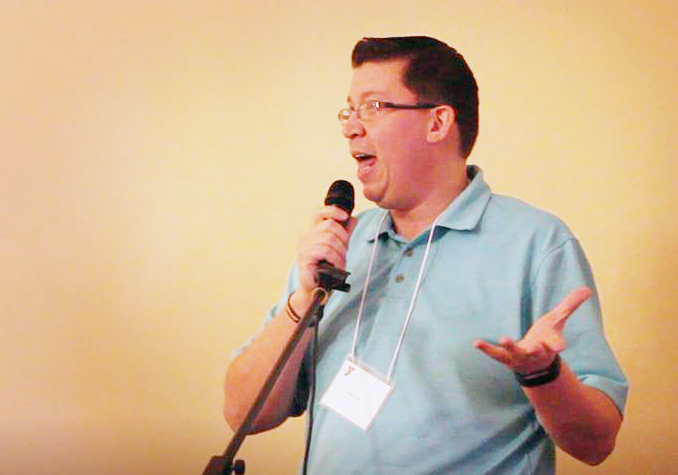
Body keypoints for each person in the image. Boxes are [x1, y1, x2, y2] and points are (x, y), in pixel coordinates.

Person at [223, 36, 628, 474]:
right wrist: (302, 299)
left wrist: (543, 374)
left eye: (373, 106)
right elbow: (244, 414)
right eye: (349, 110)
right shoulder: (340, 245)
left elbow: (596, 443)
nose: (350, 127)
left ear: (437, 122)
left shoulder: (536, 243)